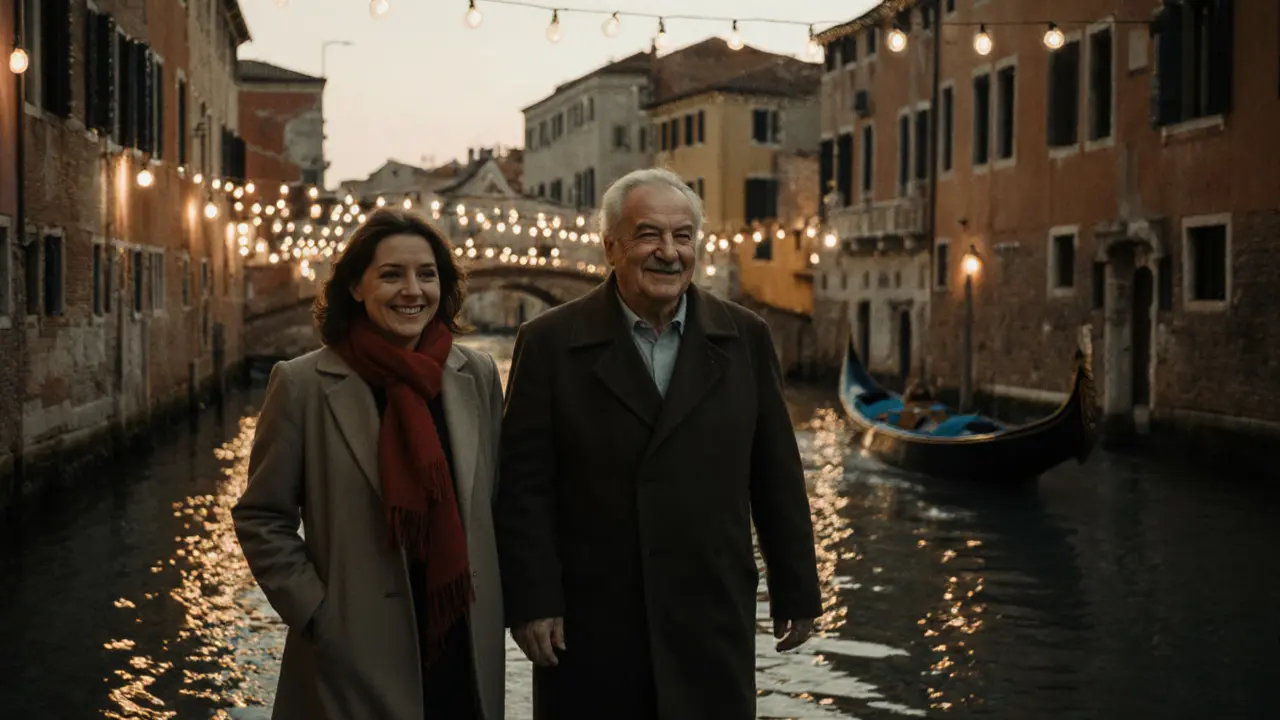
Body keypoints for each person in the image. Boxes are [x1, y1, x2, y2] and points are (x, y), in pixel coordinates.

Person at [496, 168, 822, 720]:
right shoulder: (549, 342)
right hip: (591, 617)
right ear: (610, 248)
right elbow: (524, 488)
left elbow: (776, 474)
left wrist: (796, 587)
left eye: (683, 236)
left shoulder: (745, 336)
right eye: (648, 235)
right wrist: (532, 601)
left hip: (709, 610)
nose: (668, 253)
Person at [232, 209, 505, 720]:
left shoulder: (477, 375)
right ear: (356, 286)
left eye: (427, 274)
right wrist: (318, 613)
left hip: (462, 637)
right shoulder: (302, 384)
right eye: (391, 275)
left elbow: (495, 501)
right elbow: (261, 516)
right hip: (351, 653)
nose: (412, 290)